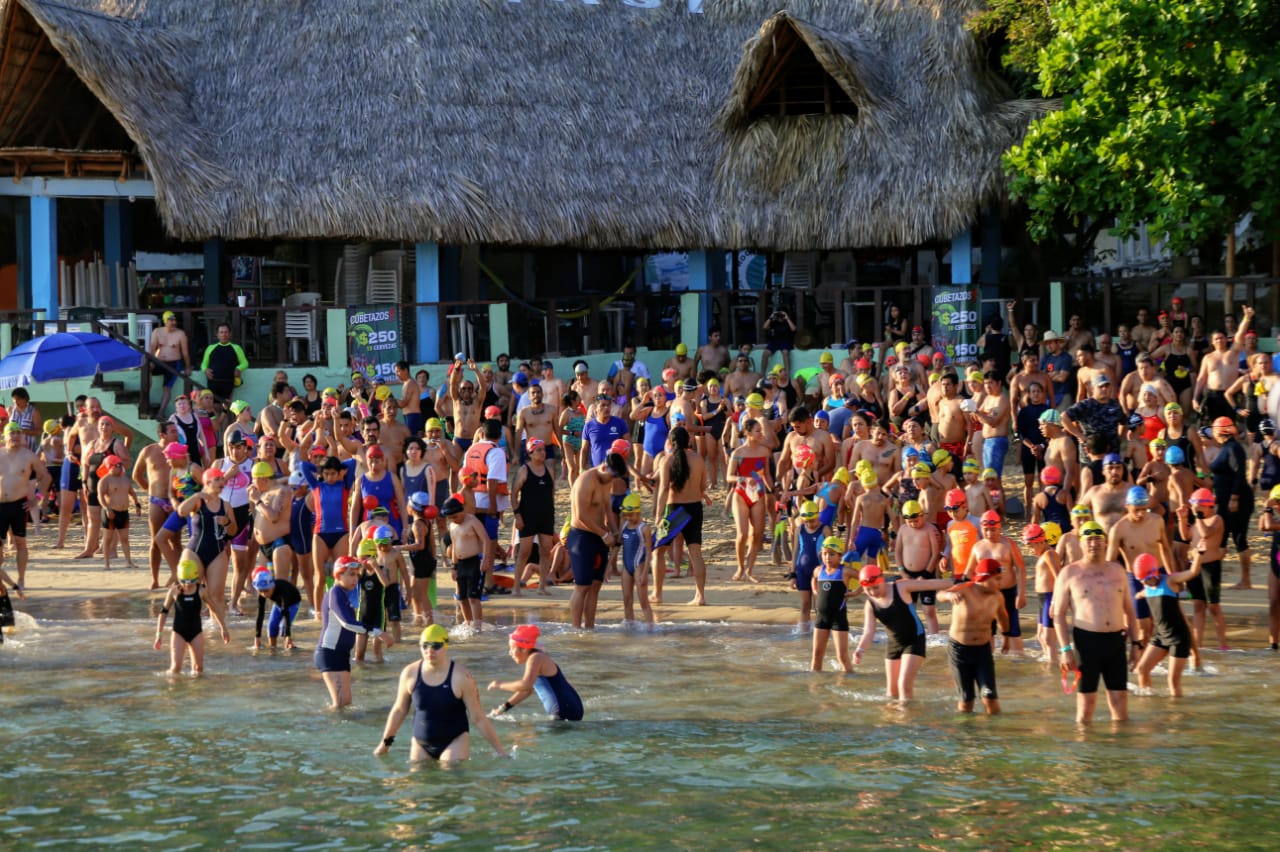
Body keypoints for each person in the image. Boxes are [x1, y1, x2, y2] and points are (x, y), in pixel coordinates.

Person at [373, 624, 509, 762]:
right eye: (425, 646)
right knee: (418, 780)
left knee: (449, 772)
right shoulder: (410, 673)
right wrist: (384, 744)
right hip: (420, 743)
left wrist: (501, 752)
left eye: (436, 646)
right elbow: (399, 710)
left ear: (445, 646)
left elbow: (478, 717)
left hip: (455, 742)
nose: (429, 650)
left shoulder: (462, 677)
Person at [1053, 521, 1140, 723]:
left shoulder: (1118, 571)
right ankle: (1084, 753)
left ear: (1105, 542)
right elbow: (1057, 615)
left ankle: (1118, 752)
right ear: (1081, 543)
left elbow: (1129, 610)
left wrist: (1136, 644)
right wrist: (1065, 650)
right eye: (1089, 539)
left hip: (1116, 642)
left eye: (1098, 539)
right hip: (1086, 643)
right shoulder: (1070, 573)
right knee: (1086, 708)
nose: (1094, 544)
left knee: (1120, 706)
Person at [854, 562, 954, 700]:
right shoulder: (870, 604)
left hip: (914, 640)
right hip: (894, 645)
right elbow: (869, 631)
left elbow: (930, 584)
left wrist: (955, 582)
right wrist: (860, 649)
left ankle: (907, 719)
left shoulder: (900, 587)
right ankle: (895, 719)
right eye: (868, 590)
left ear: (882, 580)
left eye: (875, 587)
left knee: (904, 685)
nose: (873, 592)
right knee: (891, 692)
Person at [316, 555, 392, 709]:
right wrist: (378, 632)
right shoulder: (335, 593)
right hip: (329, 654)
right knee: (338, 705)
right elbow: (348, 623)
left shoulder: (344, 594)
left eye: (357, 575)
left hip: (342, 655)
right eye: (351, 574)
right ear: (338, 574)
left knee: (346, 703)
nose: (355, 579)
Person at [938, 558, 1008, 714]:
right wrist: (949, 596)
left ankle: (996, 732)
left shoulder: (997, 597)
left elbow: (1003, 617)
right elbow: (940, 595)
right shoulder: (964, 589)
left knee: (990, 698)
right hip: (959, 650)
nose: (1000, 583)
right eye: (996, 579)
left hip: (982, 651)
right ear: (984, 577)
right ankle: (965, 736)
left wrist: (1007, 638)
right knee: (966, 700)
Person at [652, 426, 712, 606]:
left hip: (674, 510)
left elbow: (662, 490)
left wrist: (658, 515)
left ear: (671, 442)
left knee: (658, 551)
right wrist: (704, 494)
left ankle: (657, 593)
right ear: (689, 441)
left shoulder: (667, 460)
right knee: (696, 554)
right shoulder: (698, 460)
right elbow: (702, 487)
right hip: (694, 508)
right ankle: (700, 596)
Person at [566, 448, 626, 626]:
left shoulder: (607, 481)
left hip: (599, 537)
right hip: (581, 537)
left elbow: (607, 509)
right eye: (613, 476)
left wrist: (615, 533)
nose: (613, 481)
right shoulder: (586, 480)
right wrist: (604, 534)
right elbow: (580, 516)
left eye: (616, 478)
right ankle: (576, 629)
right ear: (604, 467)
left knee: (595, 586)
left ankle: (590, 628)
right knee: (582, 586)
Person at [1133, 551, 1201, 697]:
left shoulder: (1170, 581)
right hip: (1160, 636)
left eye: (1147, 579)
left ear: (1155, 572)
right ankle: (1148, 703)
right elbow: (1139, 595)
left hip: (1178, 638)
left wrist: (1199, 555)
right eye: (1141, 580)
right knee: (1142, 670)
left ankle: (1176, 715)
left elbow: (1193, 572)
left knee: (1173, 681)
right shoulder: (1146, 588)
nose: (1145, 583)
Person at [487, 624, 585, 720]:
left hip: (563, 710)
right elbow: (526, 691)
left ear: (524, 649)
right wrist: (502, 709)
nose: (510, 653)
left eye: (512, 648)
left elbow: (526, 685)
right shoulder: (537, 658)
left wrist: (499, 685)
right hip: (570, 707)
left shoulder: (535, 658)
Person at [154, 558, 229, 676]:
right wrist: (159, 634)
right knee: (175, 668)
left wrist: (223, 628)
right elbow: (163, 612)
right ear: (179, 579)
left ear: (196, 578)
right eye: (184, 582)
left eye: (192, 582)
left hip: (196, 633)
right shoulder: (174, 591)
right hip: (179, 632)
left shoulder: (201, 590)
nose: (188, 586)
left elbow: (214, 608)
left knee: (198, 669)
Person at [0, 423, 52, 590]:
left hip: (18, 505)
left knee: (20, 543)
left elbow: (46, 477)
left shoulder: (29, 456)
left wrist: (37, 497)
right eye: (12, 433)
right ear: (5, 435)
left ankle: (21, 579)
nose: (15, 436)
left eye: (18, 433)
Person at [440, 496, 488, 628]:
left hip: (475, 562)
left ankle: (477, 626)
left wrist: (485, 559)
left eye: (455, 516)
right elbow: (454, 546)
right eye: (450, 518)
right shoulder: (453, 526)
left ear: (461, 511)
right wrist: (454, 567)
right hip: (461, 564)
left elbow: (485, 540)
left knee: (473, 597)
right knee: (462, 598)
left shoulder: (472, 520)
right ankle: (468, 624)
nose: (454, 520)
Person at [96, 453, 141, 572]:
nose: (120, 467)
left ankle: (128, 561)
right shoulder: (105, 480)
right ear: (110, 466)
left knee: (125, 538)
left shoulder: (124, 479)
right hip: (111, 512)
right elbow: (100, 496)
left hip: (123, 512)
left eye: (121, 465)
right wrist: (106, 508)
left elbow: (131, 492)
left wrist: (137, 504)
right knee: (108, 538)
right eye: (117, 465)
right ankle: (106, 563)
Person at [150, 310, 192, 416]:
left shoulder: (180, 334)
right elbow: (152, 349)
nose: (173, 323)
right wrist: (151, 362)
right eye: (171, 320)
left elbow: (185, 352)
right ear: (165, 321)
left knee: (166, 388)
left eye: (174, 320)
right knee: (146, 372)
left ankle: (161, 412)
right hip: (159, 362)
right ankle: (145, 397)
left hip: (174, 363)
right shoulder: (157, 332)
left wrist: (187, 367)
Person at [251, 567, 301, 651]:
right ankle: (273, 649)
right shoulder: (262, 594)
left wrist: (288, 635)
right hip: (278, 604)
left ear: (272, 586)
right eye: (261, 591)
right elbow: (260, 615)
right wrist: (257, 636)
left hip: (293, 603)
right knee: (271, 626)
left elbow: (286, 614)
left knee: (283, 627)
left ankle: (289, 645)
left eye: (266, 590)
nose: (264, 594)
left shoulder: (282, 592)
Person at [200, 322, 248, 404]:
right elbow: (203, 364)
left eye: (226, 332)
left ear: (230, 334)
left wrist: (238, 368)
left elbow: (245, 363)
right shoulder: (210, 348)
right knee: (213, 407)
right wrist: (205, 370)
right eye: (221, 332)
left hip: (228, 382)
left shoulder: (236, 348)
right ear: (217, 334)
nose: (224, 335)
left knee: (226, 407)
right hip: (213, 382)